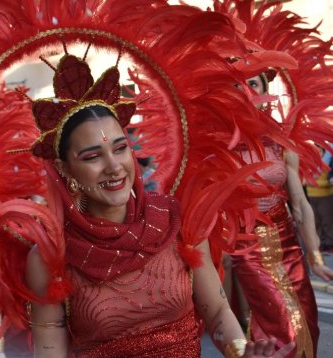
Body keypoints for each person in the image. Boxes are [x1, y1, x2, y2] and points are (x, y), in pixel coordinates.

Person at [23, 53, 295, 358]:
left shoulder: (178, 221)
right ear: (64, 169)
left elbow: (217, 310)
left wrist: (242, 351)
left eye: (120, 148)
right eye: (92, 156)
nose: (114, 166)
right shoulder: (51, 257)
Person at [228, 72, 333, 357]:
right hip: (247, 247)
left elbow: (299, 203)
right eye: (237, 84)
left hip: (288, 244)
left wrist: (315, 257)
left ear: (265, 91)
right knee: (284, 327)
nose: (246, 91)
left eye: (253, 84)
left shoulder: (281, 142)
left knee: (308, 324)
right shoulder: (217, 143)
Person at [306, 145, 333, 252]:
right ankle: (321, 243)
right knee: (317, 222)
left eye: (319, 151)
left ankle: (330, 243)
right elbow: (304, 181)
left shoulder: (326, 164)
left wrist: (314, 183)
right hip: (312, 196)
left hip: (325, 196)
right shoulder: (309, 165)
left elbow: (329, 181)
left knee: (327, 221)